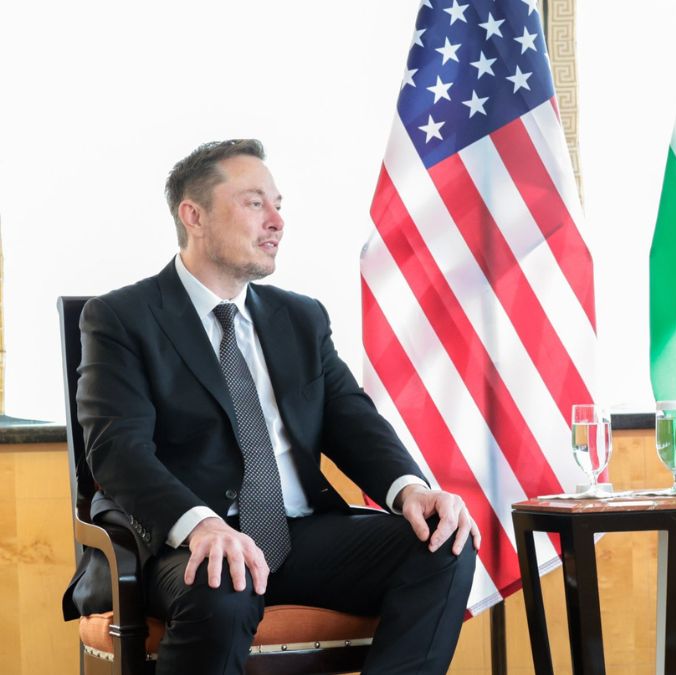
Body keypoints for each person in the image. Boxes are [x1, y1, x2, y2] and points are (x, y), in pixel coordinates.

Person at [62, 139, 479, 674]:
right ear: (194, 216)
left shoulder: (301, 318)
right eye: (255, 203)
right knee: (223, 583)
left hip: (299, 534)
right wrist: (202, 526)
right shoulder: (122, 318)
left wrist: (411, 490)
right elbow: (118, 451)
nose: (277, 221)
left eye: (278, 205)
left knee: (443, 543)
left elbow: (353, 420)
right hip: (184, 541)